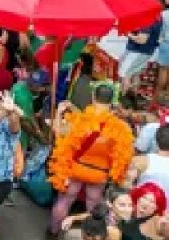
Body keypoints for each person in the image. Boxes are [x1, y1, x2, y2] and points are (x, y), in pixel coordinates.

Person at [49, 84, 135, 235]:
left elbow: (59, 133)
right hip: (99, 174)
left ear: (93, 97)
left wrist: (59, 112)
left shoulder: (80, 121)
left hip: (76, 169)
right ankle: (93, 235)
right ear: (111, 101)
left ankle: (53, 231)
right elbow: (123, 157)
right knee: (94, 206)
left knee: (64, 201)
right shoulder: (121, 128)